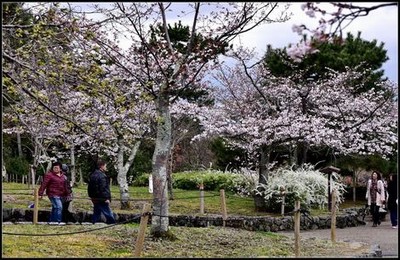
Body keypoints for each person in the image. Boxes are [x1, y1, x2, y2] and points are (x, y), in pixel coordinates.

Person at [87, 160, 116, 224]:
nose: (106, 167)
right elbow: (103, 188)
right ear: (101, 166)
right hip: (101, 198)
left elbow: (90, 187)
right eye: (105, 166)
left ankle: (94, 222)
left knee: (97, 211)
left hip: (95, 197)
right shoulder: (102, 176)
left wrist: (91, 196)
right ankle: (112, 223)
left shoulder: (93, 175)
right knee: (107, 212)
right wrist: (106, 198)